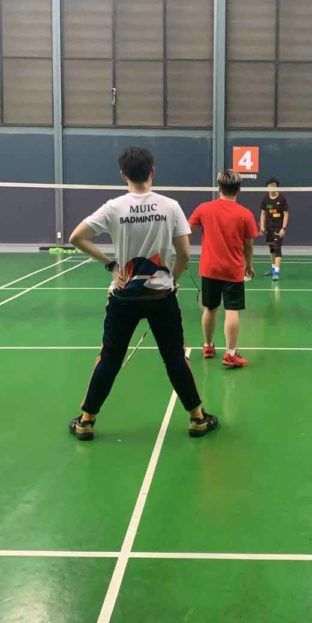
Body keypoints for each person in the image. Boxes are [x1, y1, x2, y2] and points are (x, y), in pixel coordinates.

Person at [67, 146, 218, 441]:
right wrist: (171, 280)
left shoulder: (113, 207)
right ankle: (198, 418)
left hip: (123, 297)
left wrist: (111, 264)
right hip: (161, 297)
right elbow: (184, 254)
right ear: (152, 171)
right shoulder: (170, 206)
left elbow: (76, 237)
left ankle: (86, 421)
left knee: (109, 359)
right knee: (175, 358)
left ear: (123, 174)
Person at [189, 170, 258, 369]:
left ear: (219, 187)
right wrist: (248, 265)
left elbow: (186, 231)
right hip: (233, 270)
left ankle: (208, 346)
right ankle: (230, 354)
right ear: (239, 189)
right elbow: (249, 245)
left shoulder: (204, 209)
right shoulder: (245, 214)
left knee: (210, 308)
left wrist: (184, 255)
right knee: (232, 310)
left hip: (209, 269)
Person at [260, 177, 290, 280]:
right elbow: (263, 213)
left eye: (274, 186)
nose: (272, 187)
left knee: (277, 249)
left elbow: (286, 214)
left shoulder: (282, 199)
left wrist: (283, 228)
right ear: (267, 187)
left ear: (277, 187)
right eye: (270, 186)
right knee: (272, 249)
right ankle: (273, 268)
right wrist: (262, 226)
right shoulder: (265, 199)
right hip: (269, 228)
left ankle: (276, 272)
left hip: (278, 228)